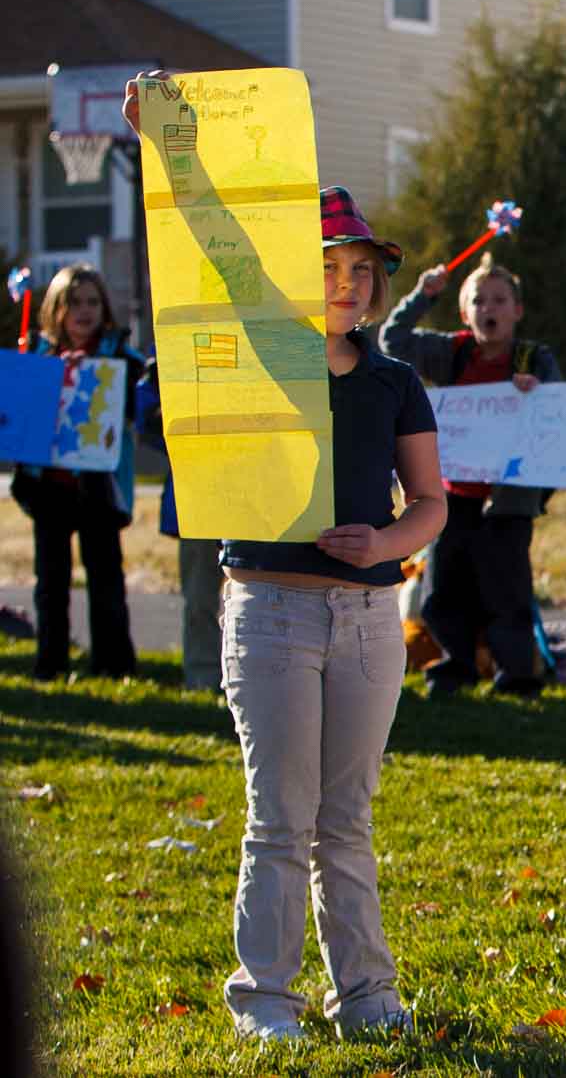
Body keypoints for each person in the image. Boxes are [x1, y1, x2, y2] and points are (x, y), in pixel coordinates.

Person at [115, 70, 455, 1043]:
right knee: (280, 818)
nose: (347, 283)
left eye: (361, 270)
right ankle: (266, 1003)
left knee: (346, 819)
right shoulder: (262, 345)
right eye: (327, 265)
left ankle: (369, 998)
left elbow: (429, 503)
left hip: (365, 618)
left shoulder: (395, 382)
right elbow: (208, 245)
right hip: (264, 606)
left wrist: (383, 542)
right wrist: (164, 148)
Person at [380, 252, 559, 694]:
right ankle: (453, 665)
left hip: (508, 502)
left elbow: (560, 415)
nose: (489, 309)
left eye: (500, 300)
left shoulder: (532, 359)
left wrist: (537, 394)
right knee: (445, 589)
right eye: (479, 301)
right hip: (452, 495)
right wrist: (423, 295)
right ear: (465, 313)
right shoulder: (453, 352)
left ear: (517, 311)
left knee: (508, 591)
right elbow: (393, 340)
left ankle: (517, 675)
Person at [9, 262, 143, 680]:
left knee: (105, 578)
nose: (83, 312)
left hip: (99, 487)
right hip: (49, 485)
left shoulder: (121, 356)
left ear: (103, 307)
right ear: (55, 310)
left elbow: (134, 407)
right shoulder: (38, 356)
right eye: (73, 303)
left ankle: (112, 664)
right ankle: (50, 663)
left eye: (91, 302)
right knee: (50, 582)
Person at [134, 359, 223, 690]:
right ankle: (203, 677)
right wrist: (163, 411)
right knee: (200, 595)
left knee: (268, 594)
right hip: (197, 491)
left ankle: (261, 677)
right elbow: (148, 423)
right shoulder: (177, 338)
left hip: (258, 487)